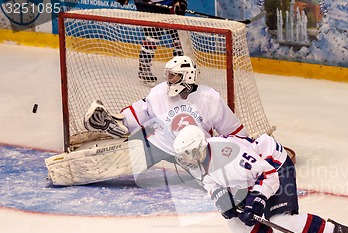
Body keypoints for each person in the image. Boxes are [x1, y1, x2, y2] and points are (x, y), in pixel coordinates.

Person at [172, 125, 348, 233]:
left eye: (188, 154)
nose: (185, 160)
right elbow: (210, 182)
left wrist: (257, 201)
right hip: (247, 179)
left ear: (199, 148)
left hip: (276, 167)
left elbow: (268, 174)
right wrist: (222, 201)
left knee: (280, 220)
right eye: (183, 156)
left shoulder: (229, 155)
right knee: (235, 223)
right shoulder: (196, 162)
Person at [46, 55, 247, 186]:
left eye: (175, 77)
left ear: (188, 76)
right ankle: (62, 172)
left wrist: (244, 153)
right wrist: (116, 121)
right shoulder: (159, 92)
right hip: (156, 144)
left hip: (194, 152)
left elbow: (235, 132)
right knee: (108, 164)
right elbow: (134, 117)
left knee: (221, 185)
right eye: (168, 75)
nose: (169, 80)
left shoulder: (210, 98)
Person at [116, 0, 188, 83]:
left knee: (179, 37)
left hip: (170, 5)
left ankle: (179, 69)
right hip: (148, 5)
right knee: (153, 36)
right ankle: (144, 68)